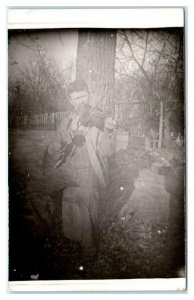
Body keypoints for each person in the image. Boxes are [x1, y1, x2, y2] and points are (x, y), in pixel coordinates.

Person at [43, 80, 116, 249]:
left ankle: (88, 248)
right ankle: (67, 238)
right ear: (70, 101)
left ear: (89, 94)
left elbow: (107, 151)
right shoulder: (66, 120)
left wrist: (109, 131)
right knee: (58, 198)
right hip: (68, 169)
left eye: (83, 96)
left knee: (87, 199)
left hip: (89, 169)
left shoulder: (100, 119)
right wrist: (63, 139)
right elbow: (53, 150)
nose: (81, 101)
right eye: (76, 98)